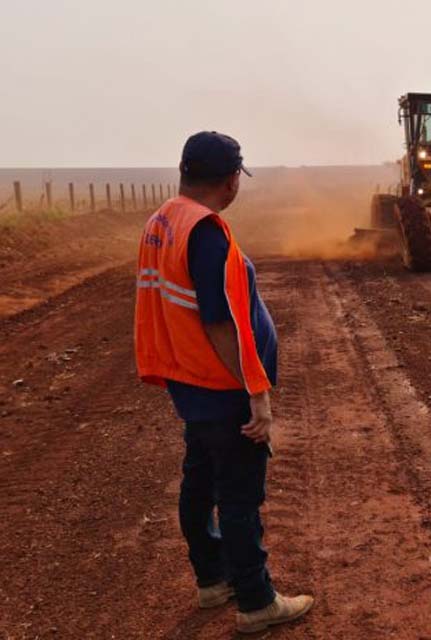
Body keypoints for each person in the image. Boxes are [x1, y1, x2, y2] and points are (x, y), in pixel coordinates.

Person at [134, 131, 313, 634]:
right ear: (232, 180)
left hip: (191, 381)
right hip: (219, 384)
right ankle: (256, 601)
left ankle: (212, 580)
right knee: (238, 496)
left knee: (200, 481)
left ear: (184, 170)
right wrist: (256, 393)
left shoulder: (163, 220)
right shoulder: (206, 231)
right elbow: (218, 322)